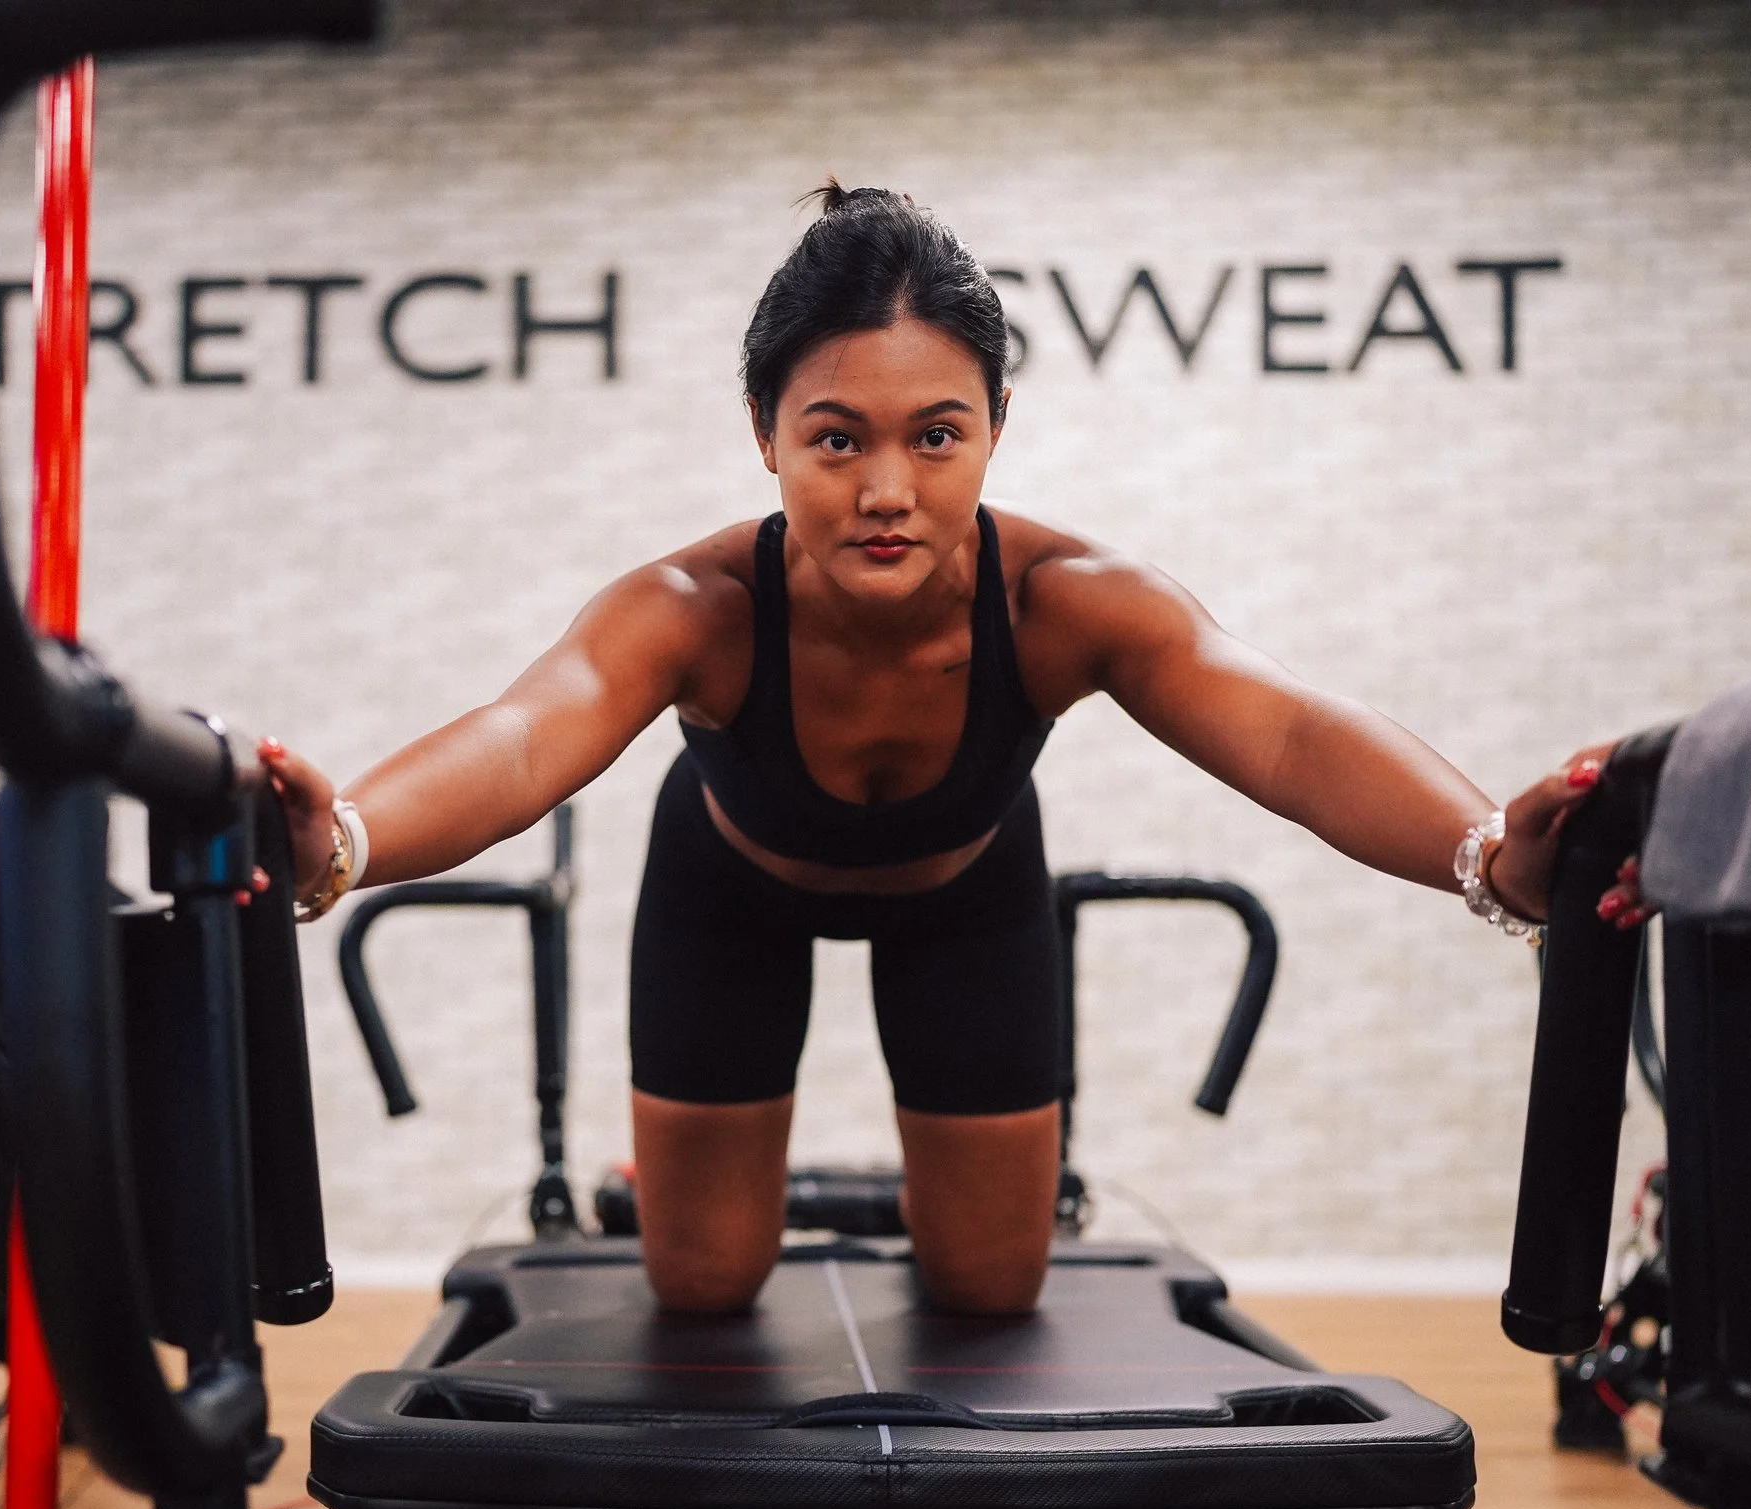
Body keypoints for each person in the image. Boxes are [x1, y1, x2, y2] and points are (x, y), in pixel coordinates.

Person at [260, 184, 1619, 1317]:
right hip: (724, 893)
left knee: (990, 1287)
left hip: (965, 896)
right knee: (705, 1282)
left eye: (938, 435)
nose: (888, 489)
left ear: (997, 431)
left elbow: (1282, 724)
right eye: (836, 438)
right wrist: (345, 840)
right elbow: (521, 735)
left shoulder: (1068, 599)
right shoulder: (698, 612)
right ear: (766, 437)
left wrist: (1489, 857)